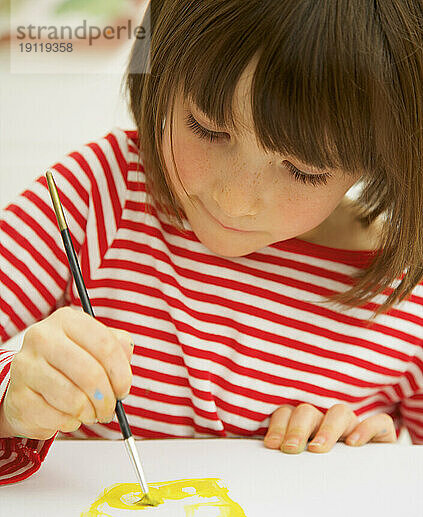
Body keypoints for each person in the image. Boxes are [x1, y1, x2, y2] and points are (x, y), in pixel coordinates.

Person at [1, 0, 422, 485]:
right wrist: (13, 401)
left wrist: (378, 473)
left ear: (384, 156)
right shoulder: (101, 194)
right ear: (161, 71)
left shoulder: (410, 293)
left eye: (304, 171)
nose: (235, 200)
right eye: (208, 128)